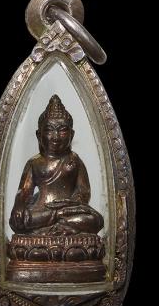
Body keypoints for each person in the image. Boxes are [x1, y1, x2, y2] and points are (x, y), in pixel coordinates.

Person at [9, 95, 104, 237]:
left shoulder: (75, 161)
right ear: (39, 135)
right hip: (42, 211)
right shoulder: (34, 163)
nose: (56, 136)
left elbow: (84, 191)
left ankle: (56, 227)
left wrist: (72, 203)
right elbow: (24, 191)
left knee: (96, 220)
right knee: (18, 221)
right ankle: (61, 225)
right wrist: (19, 205)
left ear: (72, 134)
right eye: (49, 130)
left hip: (69, 211)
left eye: (62, 130)